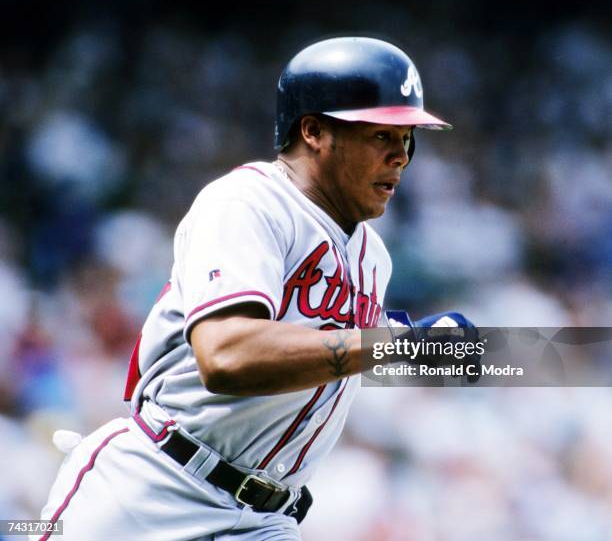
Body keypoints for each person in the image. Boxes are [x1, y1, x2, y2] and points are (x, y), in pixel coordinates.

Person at [36, 36, 476, 540]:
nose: (401, 156)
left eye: (408, 138)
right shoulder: (248, 202)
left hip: (264, 520)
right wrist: (393, 345)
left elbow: (328, 350)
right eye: (382, 135)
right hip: (157, 490)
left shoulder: (372, 254)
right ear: (313, 130)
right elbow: (227, 356)